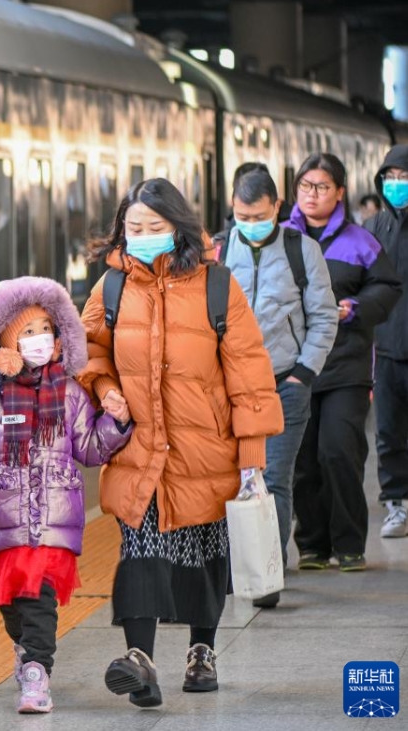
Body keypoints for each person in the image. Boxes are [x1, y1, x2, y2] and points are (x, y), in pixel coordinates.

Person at [79, 178, 283, 707]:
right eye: (133, 227)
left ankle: (201, 651)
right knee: (140, 549)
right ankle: (140, 661)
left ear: (179, 229)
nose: (142, 236)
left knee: (202, 554)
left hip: (205, 447)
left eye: (154, 227)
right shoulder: (112, 288)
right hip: (140, 448)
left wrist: (252, 457)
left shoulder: (219, 286)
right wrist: (104, 389)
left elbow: (249, 374)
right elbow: (89, 352)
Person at [0, 276, 132, 714]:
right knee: (13, 602)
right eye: (27, 333)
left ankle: (36, 672)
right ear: (4, 344)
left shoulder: (68, 393)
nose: (40, 340)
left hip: (52, 523)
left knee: (38, 602)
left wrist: (116, 424)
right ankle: (25, 650)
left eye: (46, 329)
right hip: (5, 521)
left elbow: (88, 447)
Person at [221, 166, 339, 608]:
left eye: (258, 214)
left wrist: (303, 373)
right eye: (241, 215)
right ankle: (237, 568)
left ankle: (268, 573)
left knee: (274, 478)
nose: (250, 224)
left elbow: (324, 316)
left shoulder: (301, 250)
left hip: (285, 381)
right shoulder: (217, 252)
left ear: (276, 207)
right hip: (232, 387)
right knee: (231, 477)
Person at [284, 153, 401, 571]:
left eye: (321, 187)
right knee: (303, 457)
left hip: (346, 366)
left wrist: (354, 307)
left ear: (339, 193)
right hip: (294, 366)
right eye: (305, 186)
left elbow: (387, 288)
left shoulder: (360, 241)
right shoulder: (282, 238)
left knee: (339, 451)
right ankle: (312, 544)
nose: (312, 195)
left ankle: (349, 543)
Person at [364, 145, 408, 538]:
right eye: (389, 179)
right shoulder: (376, 227)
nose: (396, 185)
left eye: (403, 177)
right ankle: (396, 502)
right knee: (389, 430)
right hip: (390, 345)